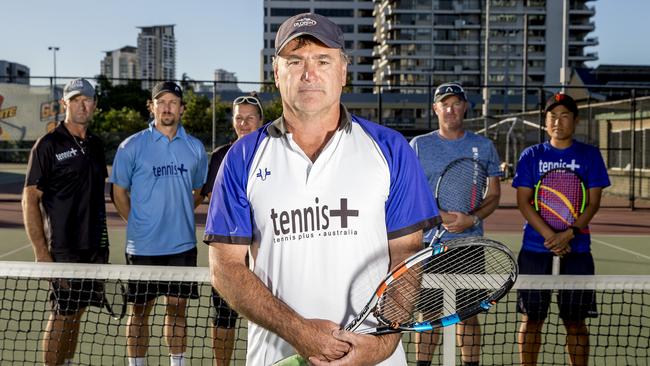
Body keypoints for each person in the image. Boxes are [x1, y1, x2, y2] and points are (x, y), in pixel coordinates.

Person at [204, 12, 439, 365]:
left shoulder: (391, 149)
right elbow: (225, 268)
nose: (309, 74)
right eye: (295, 61)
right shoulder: (242, 158)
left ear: (343, 71)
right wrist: (298, 331)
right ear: (276, 72)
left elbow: (405, 259)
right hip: (276, 356)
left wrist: (382, 343)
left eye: (323, 60)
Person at [110, 81, 208, 366]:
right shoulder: (131, 146)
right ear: (151, 106)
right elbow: (118, 192)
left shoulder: (195, 148)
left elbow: (199, 190)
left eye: (173, 102)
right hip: (142, 246)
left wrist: (181, 212)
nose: (167, 107)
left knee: (177, 309)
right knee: (139, 310)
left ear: (182, 109)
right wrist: (137, 221)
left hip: (182, 245)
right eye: (161, 101)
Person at [512, 93, 610, 366]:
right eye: (552, 116)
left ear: (575, 121)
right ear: (545, 122)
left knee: (575, 321)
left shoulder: (589, 155)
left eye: (565, 115)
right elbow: (523, 201)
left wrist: (569, 234)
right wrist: (550, 236)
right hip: (534, 249)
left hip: (577, 250)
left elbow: (592, 203)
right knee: (531, 319)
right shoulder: (531, 155)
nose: (558, 121)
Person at [410, 82, 503, 366]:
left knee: (468, 315)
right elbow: (409, 192)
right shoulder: (419, 145)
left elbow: (494, 194)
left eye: (456, 103)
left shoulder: (484, 146)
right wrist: (437, 216)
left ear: (464, 107)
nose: (450, 109)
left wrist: (471, 219)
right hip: (429, 246)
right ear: (435, 108)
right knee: (428, 316)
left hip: (470, 244)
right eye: (444, 103)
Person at [22, 78, 109, 366]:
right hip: (62, 248)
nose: (82, 105)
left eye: (87, 99)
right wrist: (41, 252)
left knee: (78, 310)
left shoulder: (96, 145)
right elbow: (30, 199)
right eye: (75, 100)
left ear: (94, 104)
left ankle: (67, 362)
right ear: (64, 104)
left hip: (93, 245)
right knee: (62, 312)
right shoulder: (47, 144)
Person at [201, 92, 264, 366]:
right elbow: (210, 200)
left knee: (265, 315)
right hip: (230, 251)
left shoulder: (273, 153)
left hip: (264, 251)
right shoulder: (219, 157)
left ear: (261, 121)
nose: (244, 123)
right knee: (224, 316)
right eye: (239, 118)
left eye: (250, 118)